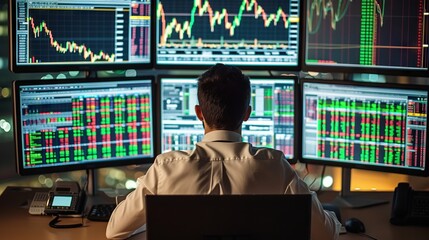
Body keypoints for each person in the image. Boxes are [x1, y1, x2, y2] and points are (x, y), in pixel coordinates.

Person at [106, 63, 340, 240]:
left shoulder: (165, 169)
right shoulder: (274, 166)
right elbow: (325, 233)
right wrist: (330, 216)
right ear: (247, 113)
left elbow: (114, 231)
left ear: (199, 112)